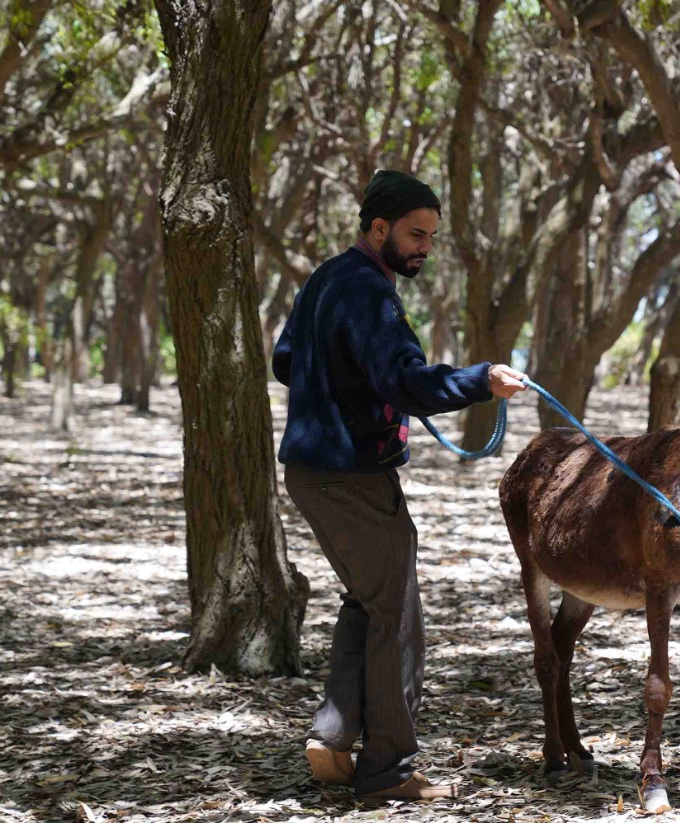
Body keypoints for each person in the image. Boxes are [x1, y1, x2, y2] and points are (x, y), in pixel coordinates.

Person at [272, 169, 527, 801]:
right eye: (416, 234)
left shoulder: (327, 279)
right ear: (378, 227)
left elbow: (285, 358)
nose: (425, 248)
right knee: (398, 616)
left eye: (432, 237)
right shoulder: (366, 290)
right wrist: (480, 382)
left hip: (317, 472)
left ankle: (332, 740)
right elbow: (405, 380)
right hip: (350, 477)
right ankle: (388, 771)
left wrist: (345, 388)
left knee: (370, 601)